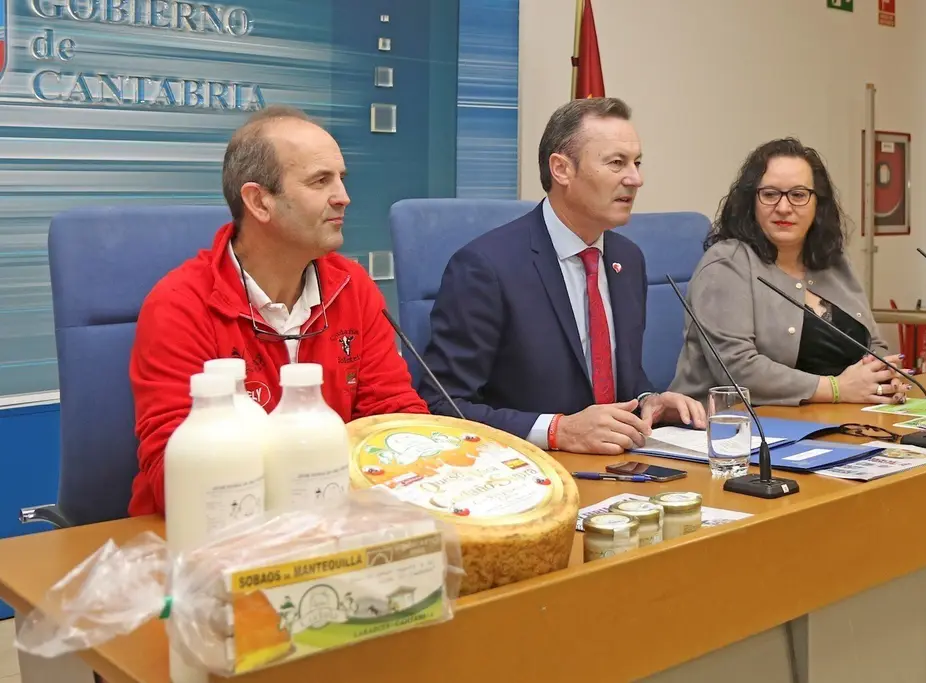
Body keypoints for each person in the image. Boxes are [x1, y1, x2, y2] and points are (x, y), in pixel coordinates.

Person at [129, 105, 428, 516]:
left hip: (336, 521)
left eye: (341, 179)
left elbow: (397, 424)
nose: (343, 197)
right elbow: (178, 477)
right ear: (259, 202)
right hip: (201, 541)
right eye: (320, 181)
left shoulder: (352, 287)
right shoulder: (179, 305)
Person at [420, 97, 705, 455]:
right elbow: (440, 405)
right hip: (529, 472)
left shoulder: (627, 259)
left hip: (621, 468)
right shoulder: (486, 267)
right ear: (561, 169)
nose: (636, 179)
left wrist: (648, 400)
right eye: (617, 163)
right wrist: (557, 430)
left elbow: (619, 375)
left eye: (636, 163)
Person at [668, 138, 909, 406]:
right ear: (751, 201)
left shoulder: (833, 261)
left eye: (798, 195)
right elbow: (737, 369)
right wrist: (836, 389)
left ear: (818, 203)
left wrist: (883, 379)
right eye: (770, 194)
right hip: (737, 429)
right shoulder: (726, 263)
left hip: (831, 419)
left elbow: (873, 343)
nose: (784, 207)